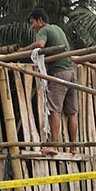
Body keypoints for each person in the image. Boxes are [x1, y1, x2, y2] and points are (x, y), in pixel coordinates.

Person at [21, 9, 76, 154]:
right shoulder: (57, 28)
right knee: (71, 112)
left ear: (40, 20)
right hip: (71, 72)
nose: (32, 27)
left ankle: (53, 146)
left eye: (32, 23)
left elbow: (40, 44)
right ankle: (74, 147)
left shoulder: (43, 30)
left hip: (59, 73)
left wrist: (22, 50)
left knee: (55, 111)